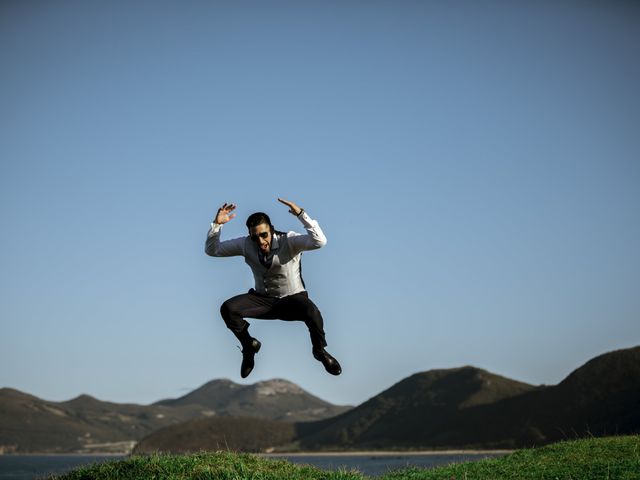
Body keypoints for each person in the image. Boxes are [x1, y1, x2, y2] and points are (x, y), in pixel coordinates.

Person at [205, 198, 342, 378]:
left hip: (292, 300)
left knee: (312, 312)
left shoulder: (289, 240)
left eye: (264, 235)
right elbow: (212, 250)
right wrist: (216, 225)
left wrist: (301, 215)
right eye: (254, 237)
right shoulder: (246, 244)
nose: (260, 241)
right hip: (263, 301)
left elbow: (319, 241)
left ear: (271, 229)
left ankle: (320, 351)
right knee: (228, 308)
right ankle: (249, 346)